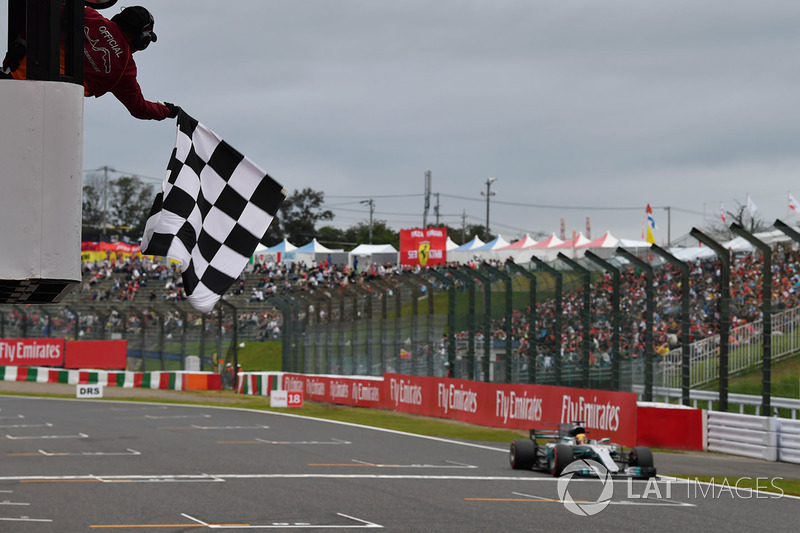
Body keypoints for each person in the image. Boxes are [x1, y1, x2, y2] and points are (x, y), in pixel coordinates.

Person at [2, 5, 179, 121]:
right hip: (49, 113)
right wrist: (166, 111)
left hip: (11, 81)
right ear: (143, 40)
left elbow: (43, 13)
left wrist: (20, 45)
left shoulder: (89, 15)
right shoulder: (125, 69)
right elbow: (139, 109)